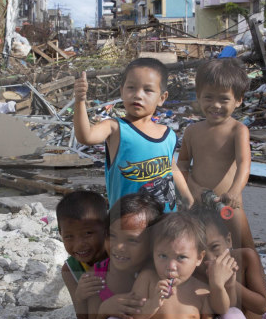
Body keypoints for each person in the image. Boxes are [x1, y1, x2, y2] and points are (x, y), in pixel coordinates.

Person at [73, 58, 189, 212]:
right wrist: (80, 101)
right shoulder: (115, 127)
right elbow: (85, 137)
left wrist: (188, 198)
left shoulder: (168, 135)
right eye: (131, 88)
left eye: (148, 90)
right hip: (127, 225)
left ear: (162, 98)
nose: (138, 95)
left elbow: (172, 168)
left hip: (164, 224)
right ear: (122, 91)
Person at [176, 58, 255, 248]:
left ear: (238, 100)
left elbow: (244, 163)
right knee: (197, 250)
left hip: (228, 205)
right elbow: (183, 165)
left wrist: (235, 191)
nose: (216, 105)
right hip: (198, 205)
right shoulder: (192, 131)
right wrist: (191, 189)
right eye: (209, 97)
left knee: (243, 249)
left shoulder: (238, 130)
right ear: (198, 96)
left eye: (224, 99)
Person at [54, 190, 110, 319]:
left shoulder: (118, 257)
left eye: (88, 233)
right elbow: (83, 318)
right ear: (60, 234)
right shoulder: (71, 269)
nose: (79, 245)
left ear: (106, 230)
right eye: (69, 236)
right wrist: (81, 295)